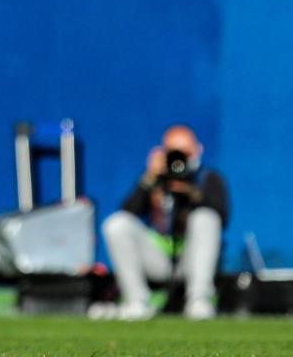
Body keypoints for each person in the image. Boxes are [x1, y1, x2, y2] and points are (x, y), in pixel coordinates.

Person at [97, 125, 229, 320]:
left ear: (197, 150)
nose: (179, 159)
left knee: (205, 217)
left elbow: (220, 216)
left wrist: (189, 190)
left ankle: (199, 300)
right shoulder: (155, 179)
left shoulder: (208, 178)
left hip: (191, 259)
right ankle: (137, 301)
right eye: (173, 152)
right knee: (116, 224)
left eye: (184, 152)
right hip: (158, 259)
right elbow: (127, 212)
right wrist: (149, 179)